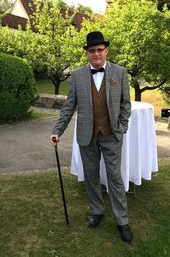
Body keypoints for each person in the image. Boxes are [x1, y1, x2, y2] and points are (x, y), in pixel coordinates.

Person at [51, 31, 133, 242]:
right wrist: (57, 130)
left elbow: (126, 103)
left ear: (106, 50)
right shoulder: (77, 76)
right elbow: (69, 106)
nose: (96, 54)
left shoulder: (120, 73)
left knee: (114, 178)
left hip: (111, 135)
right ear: (87, 53)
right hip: (87, 136)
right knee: (91, 176)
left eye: (99, 50)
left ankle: (122, 220)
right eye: (92, 50)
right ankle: (97, 211)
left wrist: (122, 127)